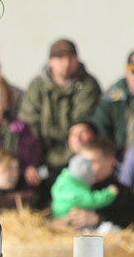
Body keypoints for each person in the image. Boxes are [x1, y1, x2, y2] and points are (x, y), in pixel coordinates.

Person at [18, 39, 101, 176]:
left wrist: (64, 159)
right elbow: (29, 125)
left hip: (76, 157)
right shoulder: (37, 86)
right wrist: (31, 162)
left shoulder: (88, 85)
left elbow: (83, 124)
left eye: (71, 57)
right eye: (60, 58)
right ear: (50, 61)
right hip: (40, 159)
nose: (66, 63)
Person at [50, 137, 120, 220]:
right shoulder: (76, 191)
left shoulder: (63, 178)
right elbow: (94, 200)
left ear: (111, 162)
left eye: (92, 162)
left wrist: (97, 219)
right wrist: (109, 193)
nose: (89, 167)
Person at [91, 51, 134, 159]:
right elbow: (100, 128)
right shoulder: (112, 97)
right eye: (133, 71)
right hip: (116, 161)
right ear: (127, 71)